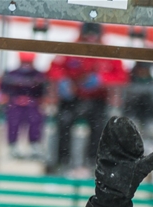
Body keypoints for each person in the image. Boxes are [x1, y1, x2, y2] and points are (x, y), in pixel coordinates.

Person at [47, 22, 127, 170]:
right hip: (72, 99)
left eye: (94, 36)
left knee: (99, 126)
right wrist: (62, 80)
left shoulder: (109, 53)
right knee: (64, 121)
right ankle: (63, 162)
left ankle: (93, 162)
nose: (91, 40)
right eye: (87, 36)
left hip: (97, 100)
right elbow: (55, 68)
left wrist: (102, 79)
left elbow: (121, 76)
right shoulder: (71, 49)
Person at [0, 52, 47, 159]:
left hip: (32, 104)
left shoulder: (38, 75)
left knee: (35, 120)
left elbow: (42, 90)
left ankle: (35, 144)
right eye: (24, 61)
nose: (26, 65)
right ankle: (13, 145)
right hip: (15, 103)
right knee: (13, 120)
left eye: (28, 62)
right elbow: (4, 89)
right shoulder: (11, 74)